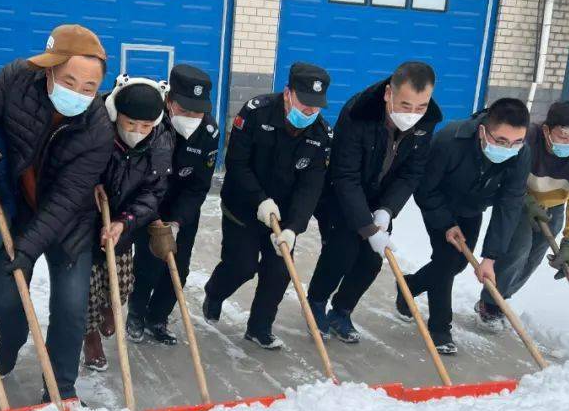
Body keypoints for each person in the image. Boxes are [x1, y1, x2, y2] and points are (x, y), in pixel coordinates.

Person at [0, 24, 113, 402]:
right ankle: (12, 341)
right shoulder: (16, 80)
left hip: (69, 221)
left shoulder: (98, 129)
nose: (78, 93)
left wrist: (27, 249)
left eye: (89, 88)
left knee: (71, 306)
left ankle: (60, 388)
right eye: (70, 81)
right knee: (5, 297)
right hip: (16, 208)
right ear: (49, 71)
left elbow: (67, 198)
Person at [307, 61, 441, 343]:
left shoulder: (427, 121)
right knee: (341, 251)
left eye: (421, 106)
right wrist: (367, 227)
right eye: (405, 105)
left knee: (371, 260)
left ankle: (341, 311)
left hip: (382, 198)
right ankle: (316, 303)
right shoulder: (359, 113)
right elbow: (345, 175)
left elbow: (411, 173)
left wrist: (386, 211)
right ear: (388, 94)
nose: (413, 114)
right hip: (342, 195)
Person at [203, 62, 332, 349]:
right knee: (242, 265)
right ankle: (214, 292)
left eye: (316, 106)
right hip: (244, 206)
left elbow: (310, 187)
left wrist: (294, 228)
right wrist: (260, 199)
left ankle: (260, 327)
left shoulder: (321, 135)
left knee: (279, 271)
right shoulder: (255, 112)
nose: (310, 111)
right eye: (304, 103)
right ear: (288, 94)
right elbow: (236, 163)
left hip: (283, 216)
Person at [397, 97, 532, 355]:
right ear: (483, 131)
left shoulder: (521, 154)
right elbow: (426, 188)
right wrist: (446, 223)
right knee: (447, 260)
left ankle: (409, 286)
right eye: (501, 141)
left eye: (516, 142)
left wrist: (490, 257)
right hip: (440, 203)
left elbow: (509, 205)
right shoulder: (451, 140)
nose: (508, 148)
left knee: (458, 263)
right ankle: (440, 327)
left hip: (472, 208)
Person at [476, 100, 569, 328]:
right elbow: (504, 174)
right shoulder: (528, 139)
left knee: (533, 257)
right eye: (563, 136)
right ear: (546, 130)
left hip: (553, 205)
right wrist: (525, 199)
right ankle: (490, 304)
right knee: (518, 250)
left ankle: (502, 296)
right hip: (519, 200)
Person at [82, 76, 173, 370]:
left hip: (123, 223)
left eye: (145, 126)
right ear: (115, 114)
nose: (137, 131)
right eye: (130, 123)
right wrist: (91, 185)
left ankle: (112, 306)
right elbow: (73, 170)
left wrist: (126, 221)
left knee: (120, 284)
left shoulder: (160, 141)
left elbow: (154, 191)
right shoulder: (95, 129)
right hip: (83, 225)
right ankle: (90, 336)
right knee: (86, 291)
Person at [127, 64, 220, 345]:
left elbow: (198, 185)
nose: (192, 117)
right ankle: (136, 314)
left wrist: (178, 221)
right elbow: (135, 176)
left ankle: (158, 317)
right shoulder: (150, 123)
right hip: (148, 204)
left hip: (182, 209)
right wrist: (152, 217)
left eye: (198, 111)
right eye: (185, 110)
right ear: (170, 102)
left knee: (179, 267)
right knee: (148, 264)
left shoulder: (209, 132)